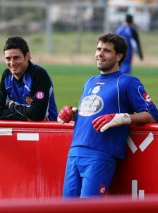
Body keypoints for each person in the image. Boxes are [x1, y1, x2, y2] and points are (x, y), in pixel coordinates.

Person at [58, 33, 158, 199]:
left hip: (100, 154)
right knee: (67, 207)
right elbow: (93, 112)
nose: (100, 54)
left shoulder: (127, 82)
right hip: (75, 152)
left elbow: (153, 114)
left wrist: (123, 118)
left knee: (87, 208)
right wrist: (73, 113)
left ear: (118, 56)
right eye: (98, 49)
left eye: (106, 50)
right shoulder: (89, 81)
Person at [0, 36, 58, 121]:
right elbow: (0, 112)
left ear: (27, 56)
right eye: (8, 59)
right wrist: (27, 117)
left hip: (46, 131)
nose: (12, 63)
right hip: (20, 129)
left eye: (16, 58)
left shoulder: (39, 75)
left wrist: (12, 106)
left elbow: (37, 115)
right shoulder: (6, 76)